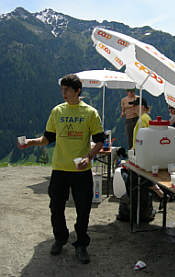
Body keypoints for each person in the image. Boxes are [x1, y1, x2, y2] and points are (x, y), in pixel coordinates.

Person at [17, 74, 105, 264]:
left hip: (81, 171)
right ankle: (60, 238)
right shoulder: (57, 111)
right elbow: (47, 138)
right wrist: (30, 142)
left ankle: (81, 244)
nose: (63, 93)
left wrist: (89, 157)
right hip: (59, 169)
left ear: (77, 90)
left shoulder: (90, 112)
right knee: (56, 207)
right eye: (62, 90)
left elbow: (99, 141)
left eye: (67, 90)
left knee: (83, 210)